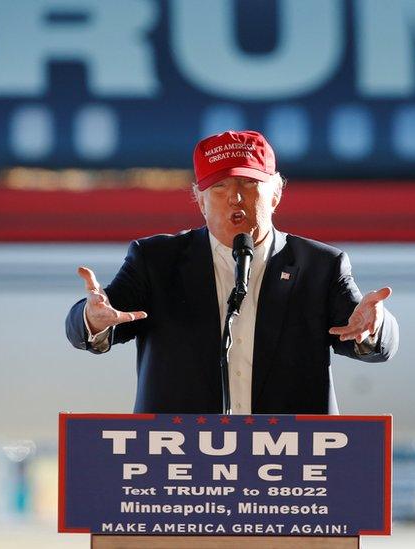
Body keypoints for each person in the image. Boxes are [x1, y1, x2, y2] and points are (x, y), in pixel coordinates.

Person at [65, 130, 398, 414]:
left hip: (293, 465)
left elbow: (367, 336)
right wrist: (93, 320)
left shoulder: (320, 265)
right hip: (182, 461)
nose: (235, 198)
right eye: (219, 187)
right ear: (199, 199)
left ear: (276, 193)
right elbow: (98, 323)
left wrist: (373, 326)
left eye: (249, 183)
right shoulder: (156, 260)